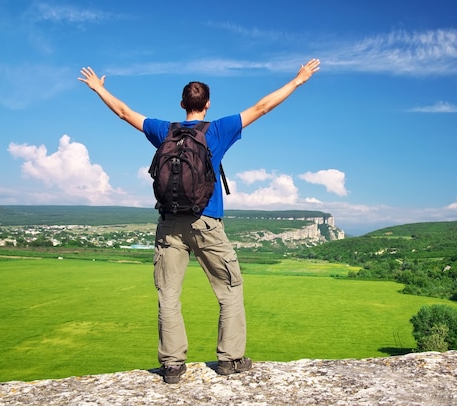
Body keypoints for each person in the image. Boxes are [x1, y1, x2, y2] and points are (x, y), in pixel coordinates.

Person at [78, 58, 320, 384]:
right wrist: (297, 80)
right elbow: (262, 107)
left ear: (182, 105)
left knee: (168, 295)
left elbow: (124, 112)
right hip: (207, 222)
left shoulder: (164, 130)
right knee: (230, 288)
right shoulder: (218, 129)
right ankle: (230, 359)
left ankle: (173, 365)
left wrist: (99, 90)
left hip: (169, 224)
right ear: (207, 105)